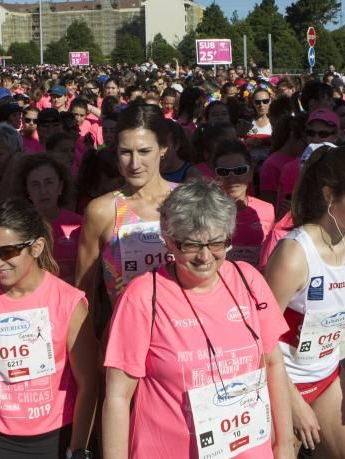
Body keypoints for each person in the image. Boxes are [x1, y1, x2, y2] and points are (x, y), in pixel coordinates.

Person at [102, 181, 294, 459]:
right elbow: (118, 396)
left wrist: (284, 444)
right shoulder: (143, 296)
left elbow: (273, 363)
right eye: (191, 245)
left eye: (217, 243)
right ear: (168, 240)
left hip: (248, 449)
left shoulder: (248, 279)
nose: (205, 257)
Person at [0, 198, 99, 458]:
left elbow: (88, 382)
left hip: (55, 438)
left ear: (36, 247)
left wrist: (77, 449)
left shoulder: (68, 302)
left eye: (7, 252)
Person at [264, 145, 345, 457]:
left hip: (328, 379)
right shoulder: (294, 253)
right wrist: (293, 401)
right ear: (330, 195)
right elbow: (261, 337)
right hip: (280, 384)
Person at [76, 104, 176, 328]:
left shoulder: (189, 202)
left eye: (144, 151)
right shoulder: (101, 211)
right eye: (125, 152)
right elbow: (85, 292)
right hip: (124, 343)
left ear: (163, 148)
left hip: (183, 342)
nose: (134, 164)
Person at [19, 153, 83, 284]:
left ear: (60, 187)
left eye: (49, 183)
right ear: (27, 191)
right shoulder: (18, 228)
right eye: (35, 184)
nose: (43, 191)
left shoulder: (80, 224)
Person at [212, 139, 274, 267]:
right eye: (224, 172)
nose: (232, 178)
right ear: (216, 176)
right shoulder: (207, 213)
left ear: (251, 174)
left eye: (239, 170)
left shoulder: (267, 210)